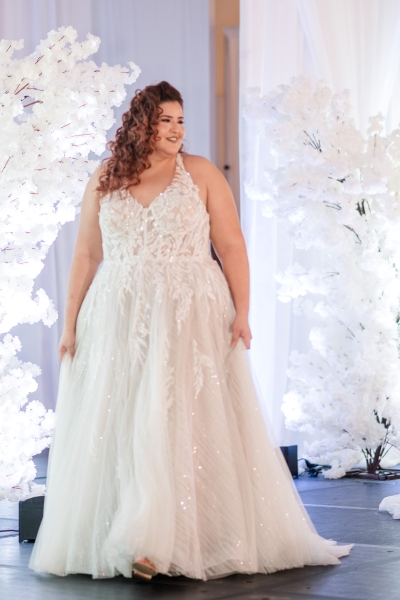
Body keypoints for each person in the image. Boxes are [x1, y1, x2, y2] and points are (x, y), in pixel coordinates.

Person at [29, 81, 352, 581]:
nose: (178, 129)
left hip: (188, 309)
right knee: (127, 419)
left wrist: (243, 312)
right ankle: (133, 537)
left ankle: (176, 539)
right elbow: (87, 255)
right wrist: (69, 325)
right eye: (167, 121)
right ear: (142, 125)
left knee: (180, 419)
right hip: (119, 311)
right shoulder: (105, 178)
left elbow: (232, 245)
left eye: (181, 120)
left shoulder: (199, 173)